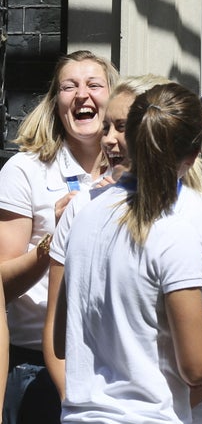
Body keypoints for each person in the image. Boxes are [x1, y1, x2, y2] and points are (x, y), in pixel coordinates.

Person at [44, 75, 202, 423]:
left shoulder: (84, 214)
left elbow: (62, 340)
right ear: (194, 154)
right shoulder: (175, 233)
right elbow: (197, 369)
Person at [0, 50, 119, 424]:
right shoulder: (25, 170)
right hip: (36, 363)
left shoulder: (132, 171)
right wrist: (56, 238)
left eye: (94, 85)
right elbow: (2, 283)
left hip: (110, 368)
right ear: (56, 103)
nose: (82, 95)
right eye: (69, 87)